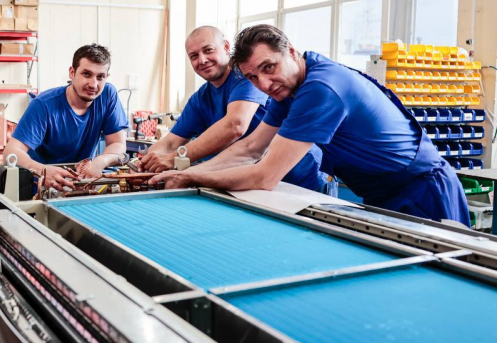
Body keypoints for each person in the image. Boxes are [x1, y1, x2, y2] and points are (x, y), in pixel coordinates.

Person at [151, 24, 469, 226]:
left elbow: (264, 176)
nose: (264, 84)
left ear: (291, 51)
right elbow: (249, 148)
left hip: (423, 191)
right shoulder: (288, 90)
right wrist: (182, 174)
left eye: (269, 67)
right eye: (252, 78)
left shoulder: (322, 88)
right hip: (381, 194)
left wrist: (191, 175)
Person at [140, 26, 327, 192]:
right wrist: (143, 164)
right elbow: (249, 149)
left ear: (226, 47)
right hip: (248, 181)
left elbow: (235, 126)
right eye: (194, 56)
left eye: (208, 50)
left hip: (299, 180)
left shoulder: (248, 78)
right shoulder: (201, 99)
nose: (202, 60)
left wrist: (177, 161)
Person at [4, 44, 129, 190]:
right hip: (40, 188)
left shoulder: (108, 95)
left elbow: (118, 144)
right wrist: (42, 171)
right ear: (72, 72)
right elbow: (11, 152)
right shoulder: (44, 105)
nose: (93, 84)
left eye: (100, 77)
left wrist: (100, 161)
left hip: (80, 186)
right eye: (86, 74)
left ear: (107, 77)